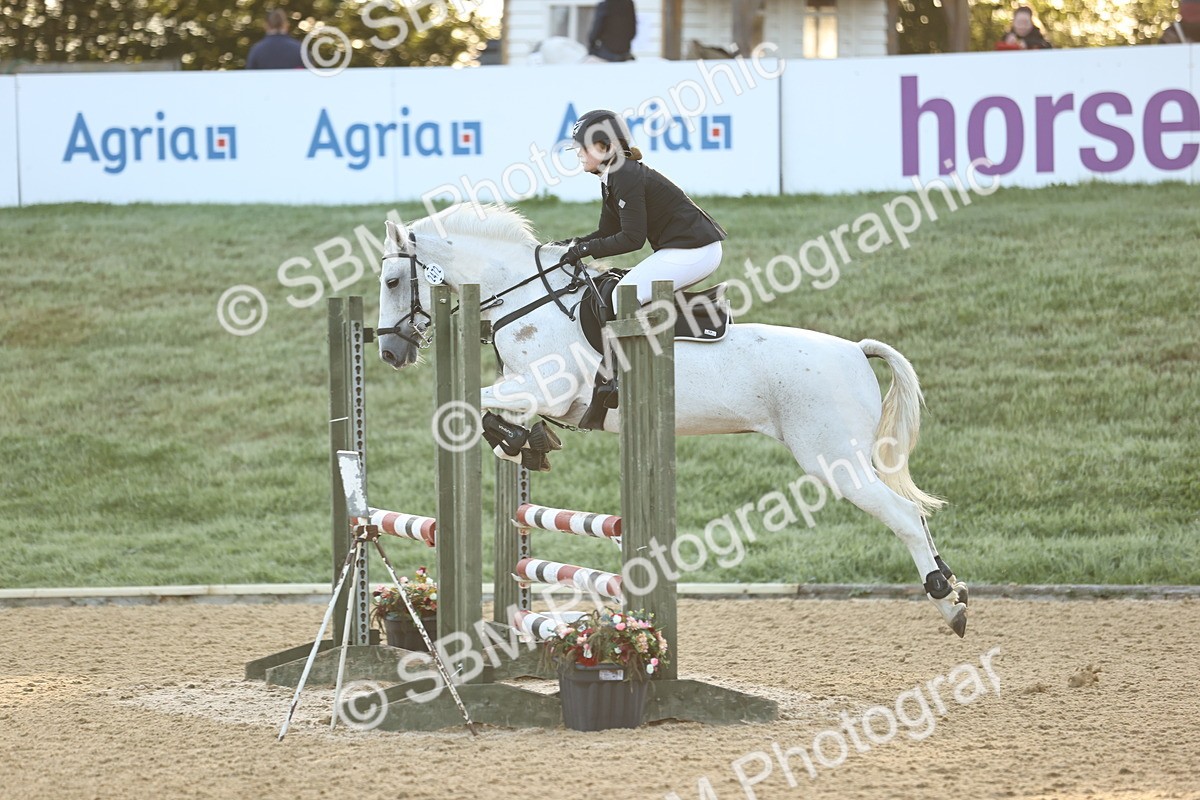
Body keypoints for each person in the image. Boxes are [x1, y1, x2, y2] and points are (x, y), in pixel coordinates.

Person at [562, 109, 727, 308]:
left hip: (695, 250)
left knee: (624, 297)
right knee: (628, 291)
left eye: (585, 146)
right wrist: (570, 245)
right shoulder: (613, 175)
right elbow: (608, 232)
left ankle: (640, 340)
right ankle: (667, 338)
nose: (579, 152)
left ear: (609, 147)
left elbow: (633, 239)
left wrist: (584, 249)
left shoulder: (625, 174)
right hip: (686, 249)